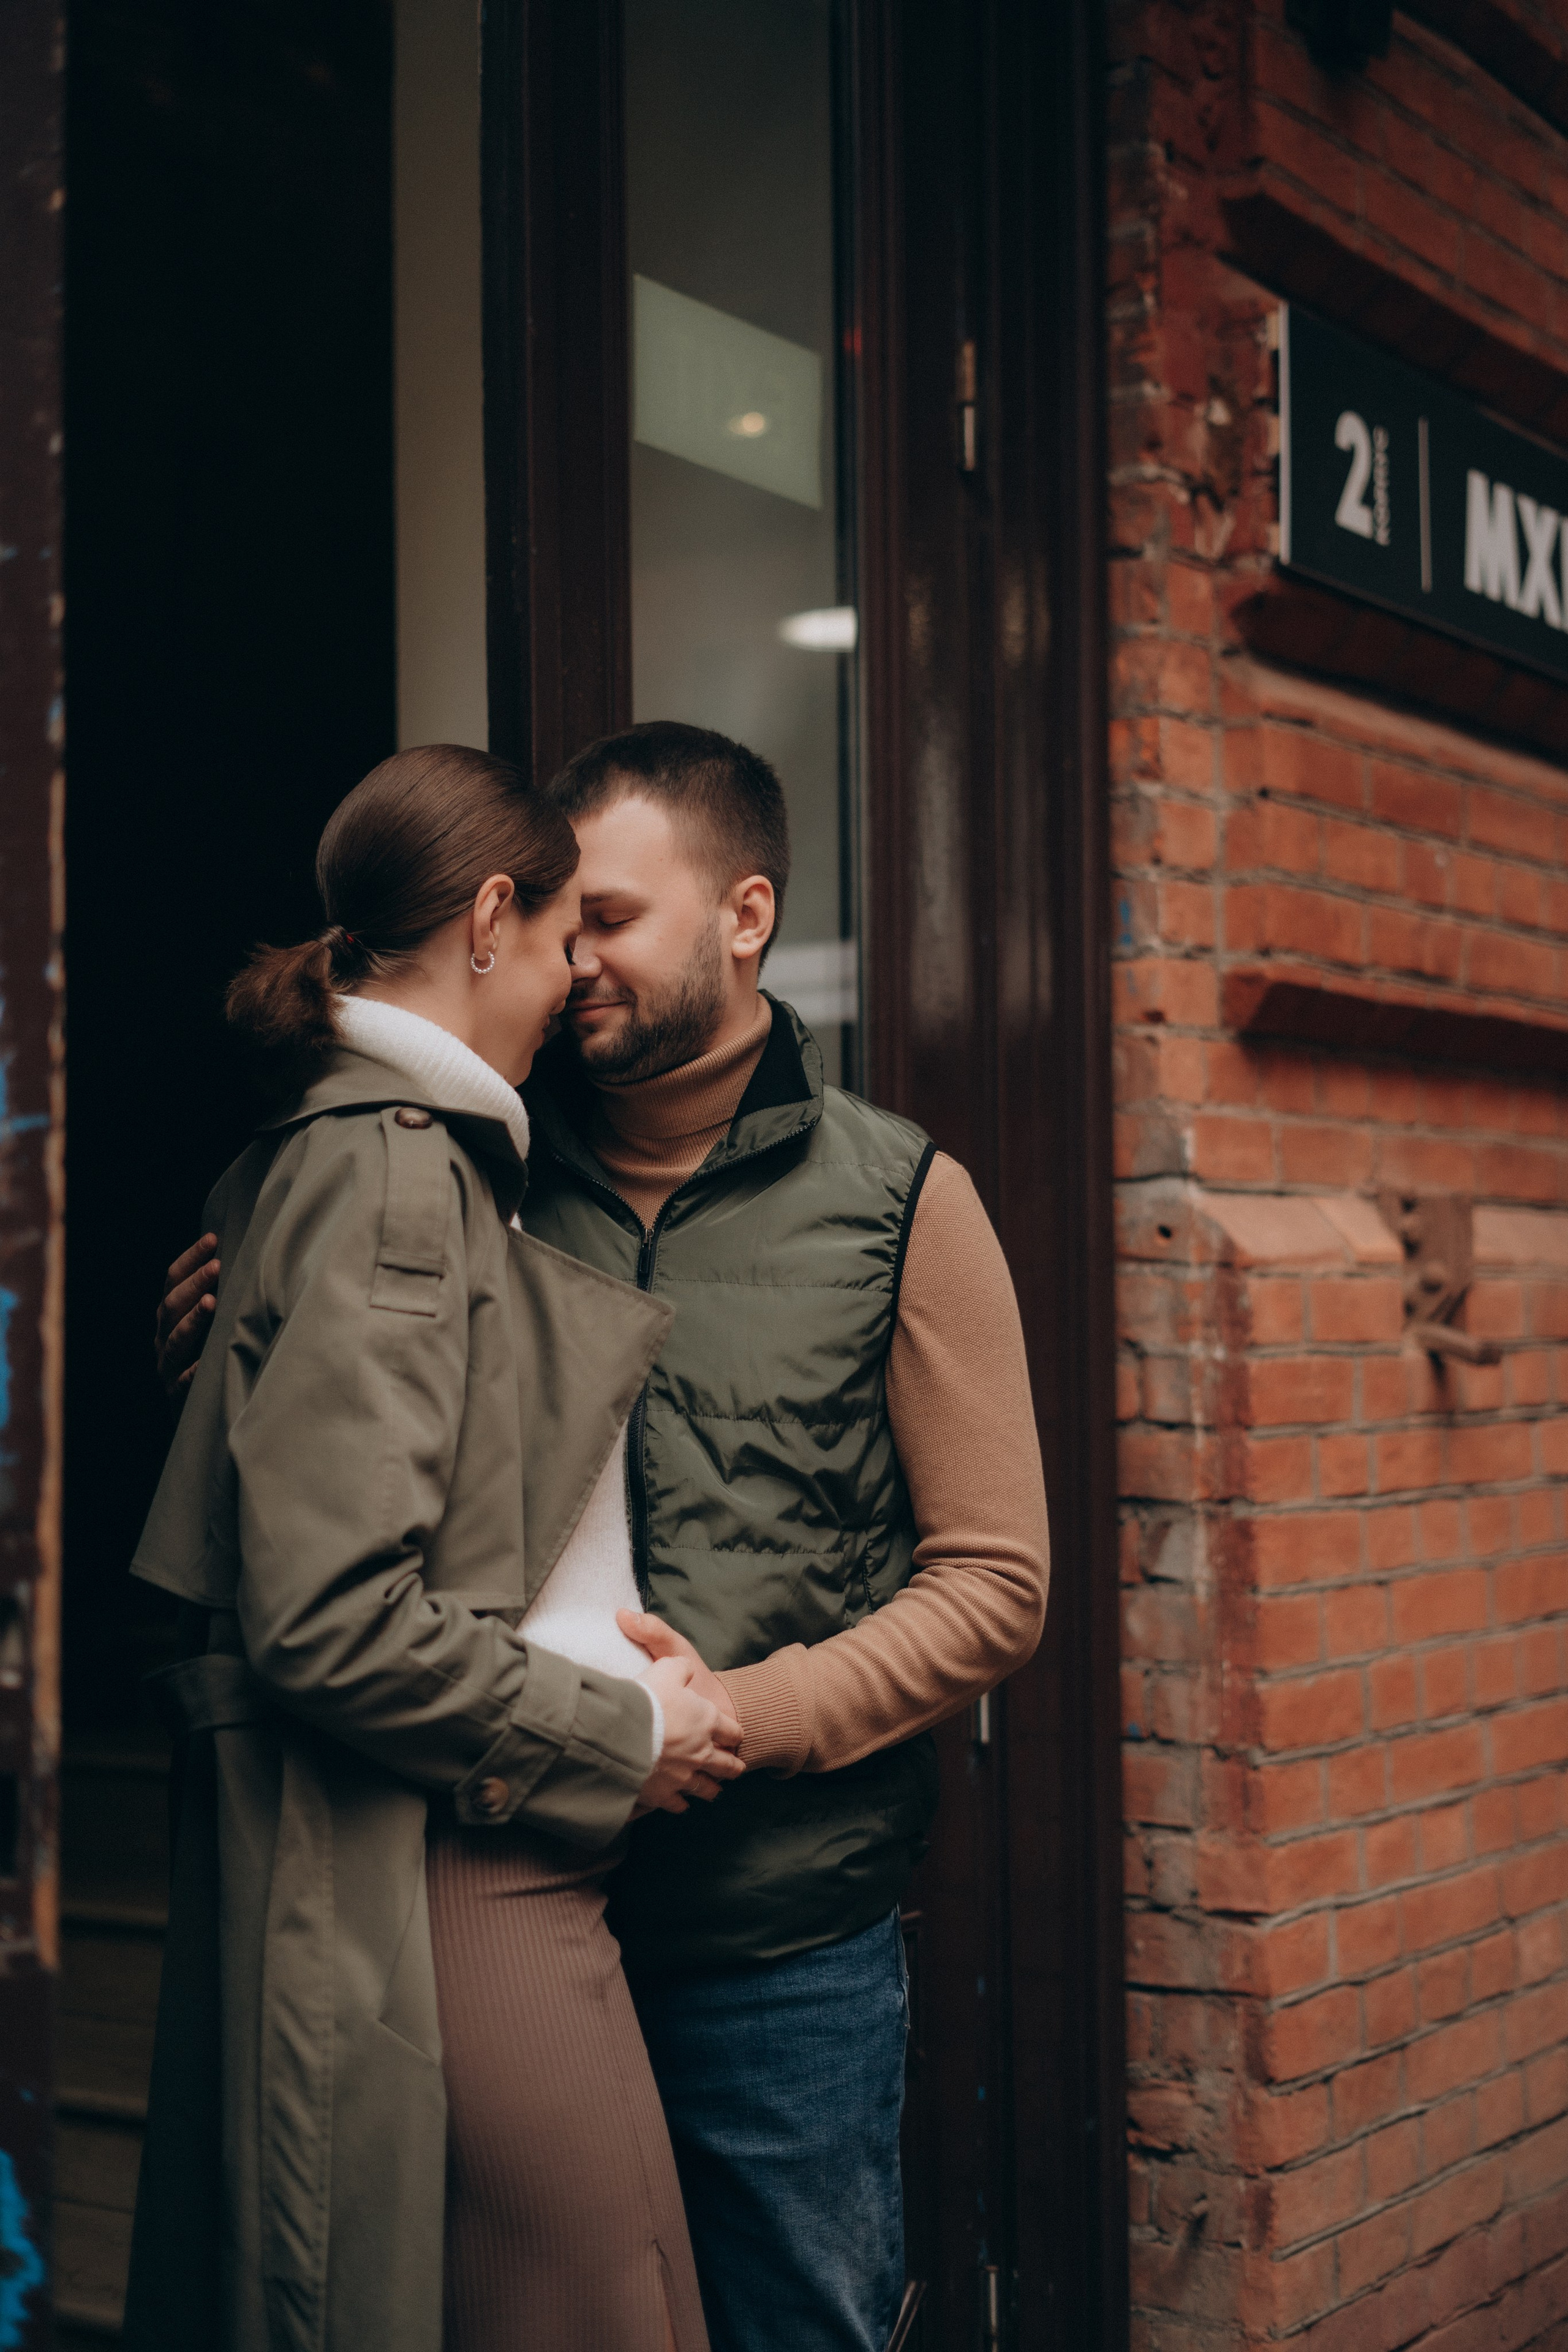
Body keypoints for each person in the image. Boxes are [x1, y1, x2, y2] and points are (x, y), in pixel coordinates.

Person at [159, 720, 1052, 2352]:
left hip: (772, 1940)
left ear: (747, 916)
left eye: (618, 923)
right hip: (486, 1890)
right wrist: (235, 1331)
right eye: (565, 924)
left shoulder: (902, 1199)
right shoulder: (470, 1159)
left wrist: (742, 1721)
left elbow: (996, 1586)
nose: (580, 964)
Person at [127, 744, 742, 2352]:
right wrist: (626, 1728)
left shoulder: (384, 1161)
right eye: (556, 940)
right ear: (487, 920)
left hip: (498, 1837)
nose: (571, 981)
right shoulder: (395, 1170)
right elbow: (326, 1616)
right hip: (474, 1852)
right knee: (617, 2313)